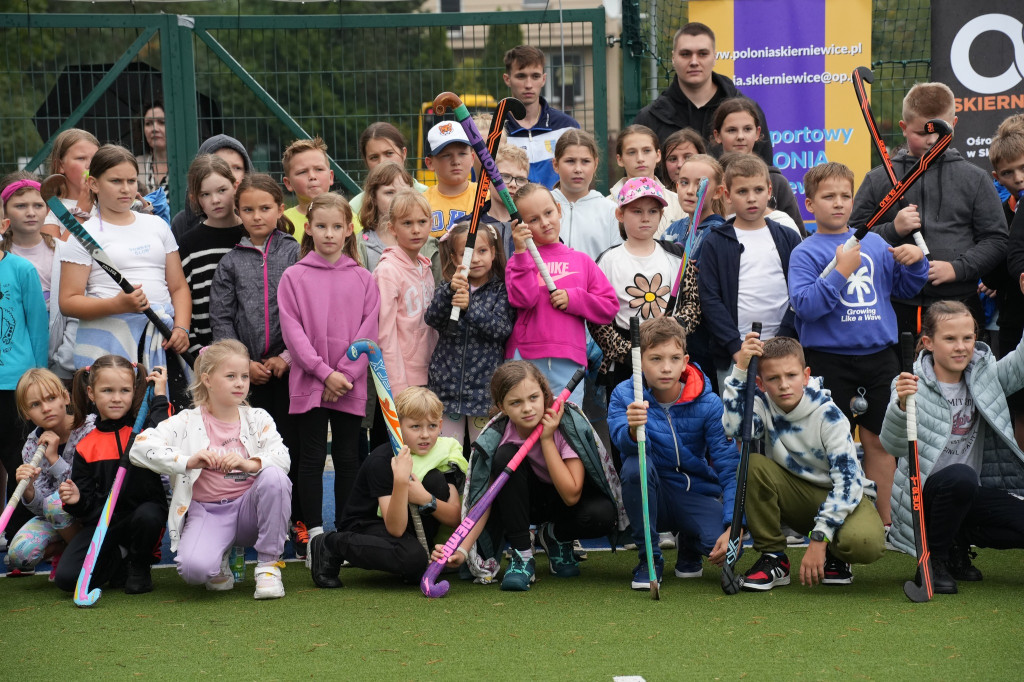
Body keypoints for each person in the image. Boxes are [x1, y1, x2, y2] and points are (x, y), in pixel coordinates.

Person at [788, 162, 929, 529]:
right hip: (828, 361)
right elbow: (805, 306)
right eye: (828, 196)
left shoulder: (877, 242)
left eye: (845, 196)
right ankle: (834, 522)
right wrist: (840, 272)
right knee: (832, 447)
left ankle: (885, 523)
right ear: (809, 204)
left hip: (880, 359)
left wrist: (915, 264)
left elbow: (904, 289)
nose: (838, 203)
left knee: (880, 442)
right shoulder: (805, 252)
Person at [428, 361, 624, 591]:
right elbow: (484, 501)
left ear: (544, 394)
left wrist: (547, 439)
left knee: (602, 514)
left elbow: (572, 495)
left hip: (565, 503)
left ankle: (554, 536)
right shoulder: (499, 436)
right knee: (505, 456)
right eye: (516, 402)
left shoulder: (565, 424)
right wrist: (462, 549)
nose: (528, 408)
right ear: (502, 406)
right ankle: (522, 555)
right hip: (522, 505)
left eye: (533, 398)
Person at [880, 300, 1024, 594]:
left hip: (969, 493)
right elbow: (892, 445)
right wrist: (900, 405)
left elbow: (1021, 363)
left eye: (968, 338)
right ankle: (935, 560)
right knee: (959, 477)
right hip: (926, 499)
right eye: (950, 339)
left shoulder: (986, 378)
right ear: (928, 342)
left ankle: (958, 542)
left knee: (968, 484)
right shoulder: (909, 384)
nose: (961, 346)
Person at [130, 340, 292, 599]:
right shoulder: (186, 420)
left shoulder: (258, 417)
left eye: (244, 376)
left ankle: (268, 566)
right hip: (208, 511)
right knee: (194, 571)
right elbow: (139, 448)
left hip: (249, 509)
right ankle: (221, 556)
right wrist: (187, 461)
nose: (240, 383)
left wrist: (249, 464)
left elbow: (282, 458)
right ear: (207, 379)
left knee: (275, 477)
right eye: (230, 376)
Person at [723, 334, 886, 591]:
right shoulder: (761, 405)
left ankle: (837, 555)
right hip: (794, 496)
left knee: (866, 543)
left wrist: (820, 539)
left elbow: (848, 483)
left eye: (791, 375)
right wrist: (740, 370)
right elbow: (734, 427)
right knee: (752, 463)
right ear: (761, 383)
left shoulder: (829, 415)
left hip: (840, 496)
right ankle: (774, 558)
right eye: (773, 379)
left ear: (806, 375)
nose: (784, 385)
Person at [850, 82, 1007, 333]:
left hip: (959, 304)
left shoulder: (975, 179)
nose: (932, 140)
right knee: (902, 373)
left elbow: (996, 240)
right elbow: (853, 236)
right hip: (892, 304)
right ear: (903, 128)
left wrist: (956, 269)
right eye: (921, 133)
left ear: (954, 124)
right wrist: (892, 229)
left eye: (940, 131)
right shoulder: (877, 179)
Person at [278, 192, 379, 558]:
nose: (329, 234)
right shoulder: (293, 276)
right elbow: (293, 333)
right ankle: (317, 538)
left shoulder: (365, 279)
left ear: (349, 230)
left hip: (351, 383)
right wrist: (324, 374)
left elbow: (369, 332)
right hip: (310, 381)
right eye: (321, 226)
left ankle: (347, 533)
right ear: (309, 228)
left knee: (350, 457)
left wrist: (346, 375)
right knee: (312, 457)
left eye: (337, 226)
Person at [608, 317, 737, 588]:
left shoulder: (709, 402)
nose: (666, 368)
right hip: (651, 491)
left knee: (729, 551)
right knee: (635, 465)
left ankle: (689, 543)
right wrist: (633, 430)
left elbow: (727, 464)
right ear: (639, 361)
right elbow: (623, 445)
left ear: (685, 360)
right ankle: (649, 559)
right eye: (655, 359)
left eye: (674, 358)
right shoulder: (624, 395)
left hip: (695, 492)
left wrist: (733, 527)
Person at [210, 173, 301, 546]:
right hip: (247, 375)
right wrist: (242, 365)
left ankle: (296, 521)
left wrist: (286, 356)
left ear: (280, 209)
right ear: (238, 212)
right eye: (248, 209)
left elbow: (306, 312)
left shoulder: (295, 251)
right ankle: (247, 520)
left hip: (291, 371)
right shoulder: (230, 262)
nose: (257, 216)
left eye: (265, 208)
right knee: (247, 446)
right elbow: (221, 318)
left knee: (289, 445)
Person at [58, 144, 192, 388]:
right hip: (111, 348)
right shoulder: (83, 236)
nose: (126, 188)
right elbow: (68, 301)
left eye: (132, 180)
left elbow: (179, 287)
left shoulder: (157, 226)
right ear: (94, 184)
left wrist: (182, 327)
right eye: (116, 181)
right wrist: (116, 305)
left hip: (162, 338)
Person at [309, 386, 468, 587]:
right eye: (415, 427)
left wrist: (426, 499)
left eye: (432, 426)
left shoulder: (445, 452)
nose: (425, 435)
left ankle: (417, 557)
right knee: (412, 559)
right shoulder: (383, 460)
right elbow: (395, 528)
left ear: (441, 425)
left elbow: (456, 518)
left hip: (409, 523)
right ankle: (331, 543)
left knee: (434, 479)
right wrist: (401, 482)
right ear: (397, 426)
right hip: (369, 525)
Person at [54, 356, 169, 595]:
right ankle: (118, 557)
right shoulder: (86, 446)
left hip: (143, 516)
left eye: (124, 390)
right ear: (91, 393)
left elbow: (166, 430)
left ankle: (139, 565)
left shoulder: (144, 431)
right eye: (107, 390)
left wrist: (159, 396)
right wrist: (76, 500)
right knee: (67, 579)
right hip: (105, 523)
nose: (117, 398)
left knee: (148, 515)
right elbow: (86, 506)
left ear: (134, 392)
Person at [505, 183, 618, 407]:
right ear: (521, 227)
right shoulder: (518, 260)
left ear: (559, 210)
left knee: (566, 428)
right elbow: (523, 299)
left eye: (548, 213)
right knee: (526, 428)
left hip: (568, 359)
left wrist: (574, 299)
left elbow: (609, 307)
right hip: (525, 357)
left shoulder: (582, 261)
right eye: (534, 220)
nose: (545, 222)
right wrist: (520, 253)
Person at [697, 154, 801, 389]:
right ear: (727, 195)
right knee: (737, 422)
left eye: (758, 190)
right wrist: (735, 348)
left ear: (769, 190)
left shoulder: (788, 237)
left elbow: (799, 294)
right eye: (742, 191)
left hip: (784, 351)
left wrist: (783, 339)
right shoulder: (716, 241)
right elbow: (710, 299)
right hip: (735, 355)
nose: (751, 198)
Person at [589, 178, 700, 392]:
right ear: (620, 214)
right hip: (626, 362)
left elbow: (692, 305)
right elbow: (597, 318)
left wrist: (675, 328)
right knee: (628, 420)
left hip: (671, 357)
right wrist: (630, 353)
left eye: (653, 212)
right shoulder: (607, 261)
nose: (645, 218)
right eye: (637, 211)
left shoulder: (677, 256)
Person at [632, 22, 774, 166]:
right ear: (673, 58)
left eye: (702, 54)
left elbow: (765, 173)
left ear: (715, 57)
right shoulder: (650, 119)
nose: (694, 62)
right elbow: (636, 181)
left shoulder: (747, 112)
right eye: (685, 54)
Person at [425, 220, 514, 447]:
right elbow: (432, 319)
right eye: (466, 253)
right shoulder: (448, 288)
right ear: (455, 259)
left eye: (482, 251)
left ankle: (478, 485)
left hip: (483, 392)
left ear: (493, 253)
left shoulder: (501, 290)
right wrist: (449, 294)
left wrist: (470, 307)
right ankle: (450, 484)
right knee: (447, 451)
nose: (474, 259)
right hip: (446, 387)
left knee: (481, 451)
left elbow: (501, 329)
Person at [3, 369, 92, 578]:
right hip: (58, 516)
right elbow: (42, 509)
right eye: (35, 405)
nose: (46, 408)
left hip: (91, 510)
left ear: (66, 397)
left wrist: (54, 459)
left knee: (55, 503)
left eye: (51, 398)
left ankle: (88, 557)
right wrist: (29, 490)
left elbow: (84, 486)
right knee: (19, 555)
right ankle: (68, 548)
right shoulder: (31, 446)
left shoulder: (90, 429)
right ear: (26, 413)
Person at [1, 174, 77, 382]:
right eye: (20, 206)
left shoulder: (63, 251)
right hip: (17, 361)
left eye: (38, 205)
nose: (31, 213)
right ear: (5, 213)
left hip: (60, 356)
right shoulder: (3, 258)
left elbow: (75, 310)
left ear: (48, 209)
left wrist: (64, 361)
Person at [0, 228, 48, 545]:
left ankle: (18, 530)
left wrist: (37, 379)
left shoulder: (21, 269)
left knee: (16, 457)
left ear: (3, 224)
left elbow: (38, 325)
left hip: (14, 382)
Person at [177, 155, 245, 354]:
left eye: (222, 190)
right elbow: (183, 299)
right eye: (205, 194)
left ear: (236, 186)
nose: (215, 200)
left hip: (259, 354)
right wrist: (198, 351)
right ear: (195, 199)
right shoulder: (189, 243)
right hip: (209, 354)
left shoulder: (253, 234)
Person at [373, 189, 438, 396]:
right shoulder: (387, 271)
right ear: (392, 228)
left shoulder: (425, 268)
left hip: (430, 372)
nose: (416, 230)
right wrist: (397, 386)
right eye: (407, 223)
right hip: (401, 381)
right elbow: (385, 334)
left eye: (422, 222)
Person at [711, 98, 805, 233]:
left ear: (758, 132)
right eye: (732, 130)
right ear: (717, 135)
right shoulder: (708, 181)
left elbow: (798, 238)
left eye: (747, 129)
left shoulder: (777, 181)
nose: (740, 136)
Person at [986, 129, 1024, 447]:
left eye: (1023, 168)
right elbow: (998, 270)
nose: (1019, 178)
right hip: (1013, 318)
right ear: (997, 176)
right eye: (1009, 172)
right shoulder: (999, 213)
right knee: (1019, 405)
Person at [501, 45, 581, 189]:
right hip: (510, 211)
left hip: (557, 210)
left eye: (535, 76)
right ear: (507, 79)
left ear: (544, 79)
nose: (529, 85)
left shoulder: (567, 128)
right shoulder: (495, 131)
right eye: (521, 76)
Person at [356, 161, 441, 282]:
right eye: (389, 192)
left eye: (403, 192)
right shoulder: (360, 245)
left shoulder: (427, 243)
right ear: (373, 197)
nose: (397, 198)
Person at [550, 129, 621, 260]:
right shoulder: (542, 206)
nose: (578, 169)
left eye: (585, 161)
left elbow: (616, 263)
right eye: (570, 161)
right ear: (555, 164)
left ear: (595, 165)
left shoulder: (610, 210)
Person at [169, 134, 253, 241]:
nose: (230, 174)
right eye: (221, 166)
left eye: (237, 168)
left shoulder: (256, 218)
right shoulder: (182, 224)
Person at [350, 122, 428, 233]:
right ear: (366, 161)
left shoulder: (427, 195)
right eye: (374, 157)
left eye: (389, 153)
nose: (382, 162)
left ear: (403, 153)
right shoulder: (355, 208)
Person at [609, 125, 686, 237]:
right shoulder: (607, 206)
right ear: (619, 159)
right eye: (631, 152)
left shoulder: (678, 203)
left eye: (647, 150)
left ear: (658, 155)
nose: (640, 158)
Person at [41, 128, 99, 240]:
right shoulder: (51, 210)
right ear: (60, 165)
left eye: (96, 159)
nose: (90, 165)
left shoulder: (107, 202)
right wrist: (81, 210)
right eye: (81, 158)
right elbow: (58, 256)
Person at [423, 121, 476, 239]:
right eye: (446, 155)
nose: (456, 161)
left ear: (472, 158)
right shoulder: (421, 203)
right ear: (430, 163)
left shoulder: (485, 196)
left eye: (462, 153)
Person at [282, 136, 334, 244]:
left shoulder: (350, 218)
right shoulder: (283, 223)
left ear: (331, 177)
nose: (312, 176)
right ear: (288, 183)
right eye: (302, 172)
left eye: (319, 169)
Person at [484, 143, 530, 257]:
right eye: (505, 176)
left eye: (520, 179)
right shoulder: (472, 224)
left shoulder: (533, 223)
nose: (513, 184)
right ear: (488, 179)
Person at [136, 100, 169, 194]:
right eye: (148, 123)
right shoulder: (135, 165)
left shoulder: (188, 165)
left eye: (162, 122)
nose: (154, 129)